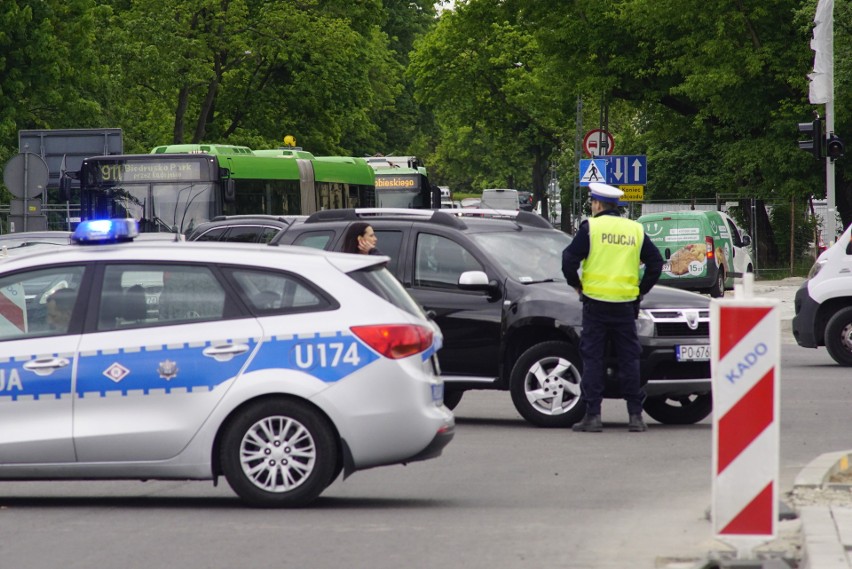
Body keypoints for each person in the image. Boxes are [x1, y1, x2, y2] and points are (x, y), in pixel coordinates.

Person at [561, 182, 663, 433]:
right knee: (630, 359)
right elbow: (655, 263)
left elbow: (568, 259)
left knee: (593, 359)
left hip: (595, 304)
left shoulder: (591, 228)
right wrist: (641, 290)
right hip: (626, 306)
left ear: (597, 204)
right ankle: (635, 416)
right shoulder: (635, 230)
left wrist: (576, 285)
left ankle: (593, 416)